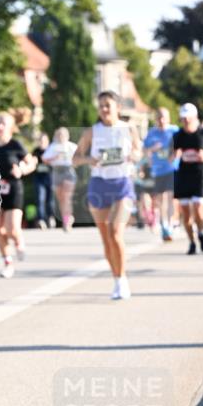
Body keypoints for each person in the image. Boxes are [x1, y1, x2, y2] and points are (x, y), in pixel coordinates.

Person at [73, 91, 142, 299]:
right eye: (101, 105)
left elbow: (139, 153)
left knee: (115, 233)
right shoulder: (91, 132)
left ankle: (123, 280)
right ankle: (116, 279)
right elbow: (75, 159)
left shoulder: (128, 129)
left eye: (107, 105)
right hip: (99, 184)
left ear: (117, 108)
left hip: (122, 184)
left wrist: (133, 156)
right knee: (106, 239)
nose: (104, 109)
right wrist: (89, 160)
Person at [0, 111, 36, 277]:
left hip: (14, 188)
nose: (0, 126)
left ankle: (19, 241)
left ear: (10, 127)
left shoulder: (15, 145)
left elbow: (31, 163)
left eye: (4, 124)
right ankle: (7, 262)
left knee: (11, 228)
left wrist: (22, 169)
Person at [171, 103, 203, 254]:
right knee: (185, 214)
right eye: (183, 119)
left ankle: (201, 232)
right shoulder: (178, 135)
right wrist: (173, 156)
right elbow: (172, 154)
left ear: (194, 117)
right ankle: (192, 242)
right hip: (184, 175)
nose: (185, 121)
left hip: (200, 174)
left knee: (198, 208)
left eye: (188, 119)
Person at [143, 107, 178, 241]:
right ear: (156, 119)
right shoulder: (152, 133)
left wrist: (175, 153)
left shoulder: (174, 130)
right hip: (158, 170)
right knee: (160, 199)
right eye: (159, 118)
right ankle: (164, 224)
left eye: (164, 117)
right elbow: (144, 150)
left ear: (168, 118)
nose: (162, 120)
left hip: (171, 169)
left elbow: (183, 145)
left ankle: (168, 225)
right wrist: (152, 150)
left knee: (169, 197)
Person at [42, 127, 77, 231]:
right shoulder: (53, 146)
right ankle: (67, 217)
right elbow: (44, 159)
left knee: (66, 197)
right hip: (56, 171)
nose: (61, 137)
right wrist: (54, 158)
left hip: (68, 171)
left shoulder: (71, 146)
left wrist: (74, 160)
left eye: (63, 135)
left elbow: (80, 156)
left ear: (67, 136)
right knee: (61, 198)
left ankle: (67, 223)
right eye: (59, 134)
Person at [31, 133, 55, 229]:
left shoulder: (51, 150)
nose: (42, 142)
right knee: (40, 198)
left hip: (49, 177)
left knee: (50, 200)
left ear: (47, 141)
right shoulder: (35, 151)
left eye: (44, 140)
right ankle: (41, 219)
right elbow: (32, 163)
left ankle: (50, 217)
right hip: (39, 178)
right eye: (40, 140)